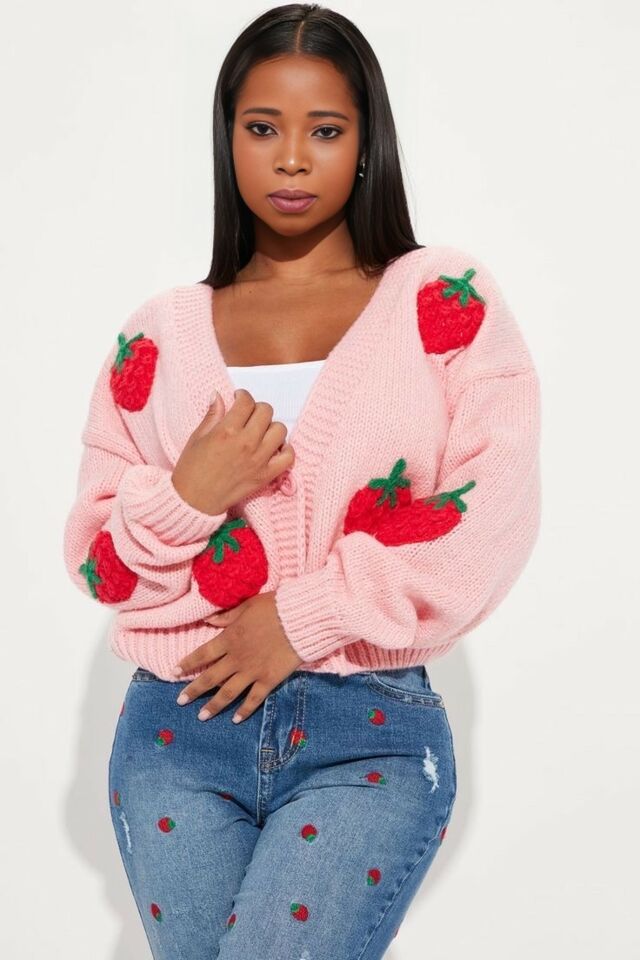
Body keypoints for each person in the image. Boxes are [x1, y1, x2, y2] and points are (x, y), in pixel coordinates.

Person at [62, 4, 541, 958]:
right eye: (261, 128)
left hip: (367, 731)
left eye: (324, 130)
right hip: (176, 736)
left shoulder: (441, 300)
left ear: (366, 145)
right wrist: (189, 495)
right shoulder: (158, 336)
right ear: (227, 138)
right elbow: (97, 564)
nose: (290, 159)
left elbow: (492, 513)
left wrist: (302, 615)